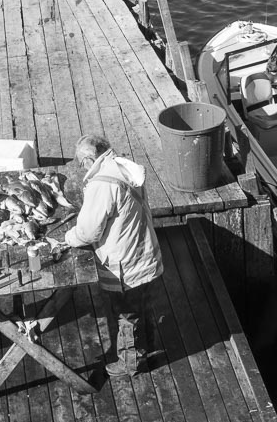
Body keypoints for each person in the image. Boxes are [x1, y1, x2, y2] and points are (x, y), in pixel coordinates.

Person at [64, 135, 164, 378]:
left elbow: (89, 231)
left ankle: (131, 363)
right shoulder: (123, 167)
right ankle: (146, 348)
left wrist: (68, 238)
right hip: (144, 253)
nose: (82, 168)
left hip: (125, 264)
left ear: (89, 159)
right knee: (142, 307)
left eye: (81, 163)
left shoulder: (102, 183)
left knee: (126, 316)